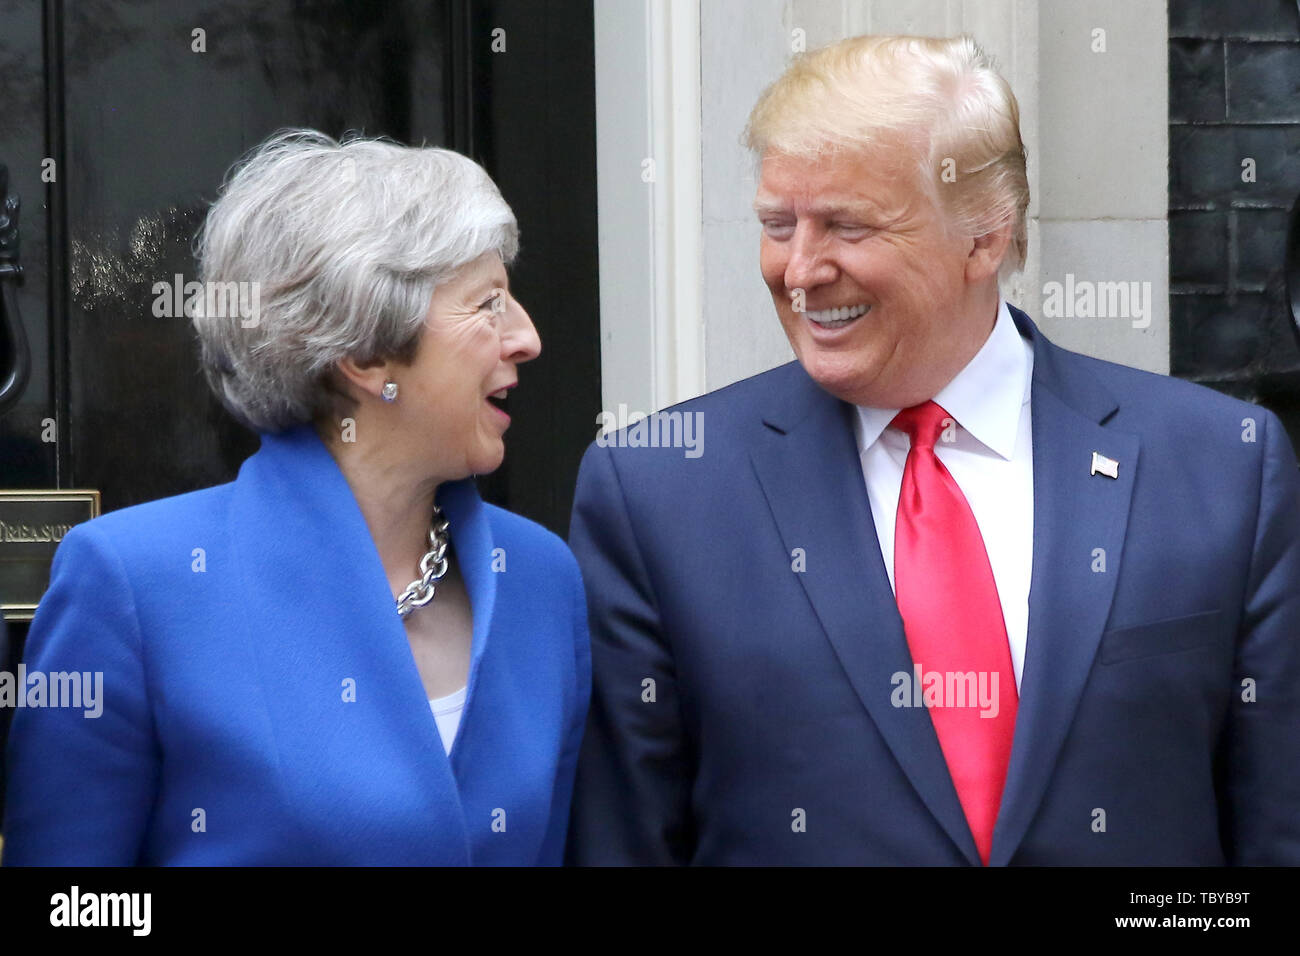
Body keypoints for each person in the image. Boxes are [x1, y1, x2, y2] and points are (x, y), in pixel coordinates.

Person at [567, 35, 1300, 865]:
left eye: (847, 225)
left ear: (984, 239)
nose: (800, 270)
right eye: (778, 225)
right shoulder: (661, 492)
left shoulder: (1222, 466)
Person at [2, 130, 590, 865]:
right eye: (489, 304)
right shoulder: (135, 583)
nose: (528, 337)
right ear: (367, 353)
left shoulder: (540, 578)